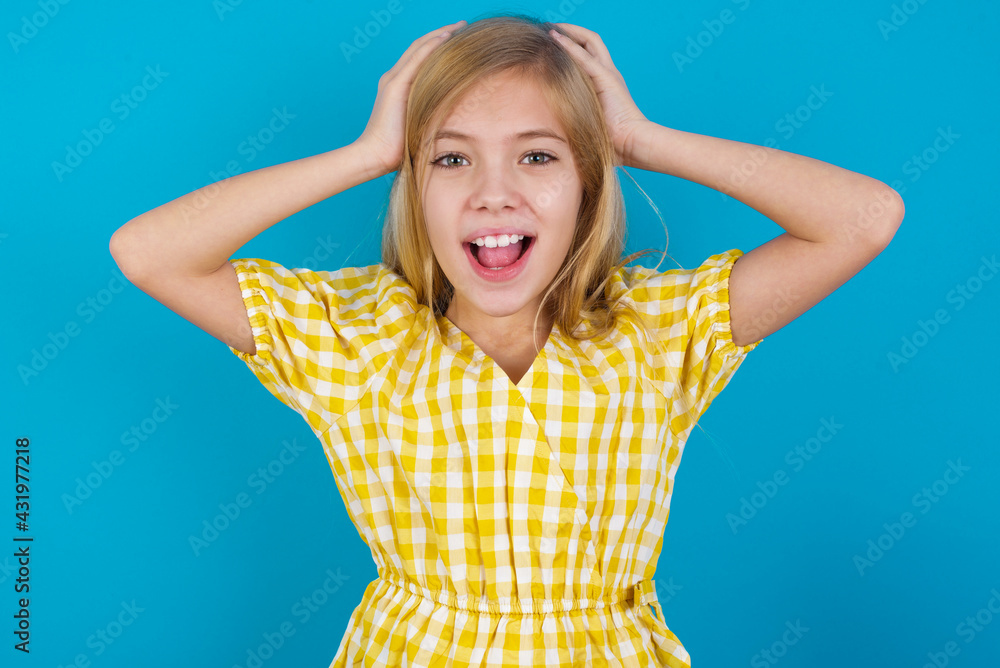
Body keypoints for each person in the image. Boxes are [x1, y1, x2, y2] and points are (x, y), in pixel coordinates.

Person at [109, 14, 904, 667]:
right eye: (451, 158)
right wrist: (367, 154)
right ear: (415, 185)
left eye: (538, 155)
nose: (494, 193)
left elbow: (863, 219)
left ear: (588, 181)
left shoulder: (657, 329)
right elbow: (146, 251)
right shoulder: (354, 335)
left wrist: (638, 137)